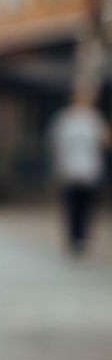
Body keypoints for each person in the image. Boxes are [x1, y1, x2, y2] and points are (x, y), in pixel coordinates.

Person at [48, 81, 111, 255]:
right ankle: (73, 237)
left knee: (87, 205)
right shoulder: (64, 119)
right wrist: (58, 168)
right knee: (72, 205)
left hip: (90, 169)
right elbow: (56, 145)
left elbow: (105, 142)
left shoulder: (95, 119)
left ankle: (82, 236)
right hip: (69, 170)